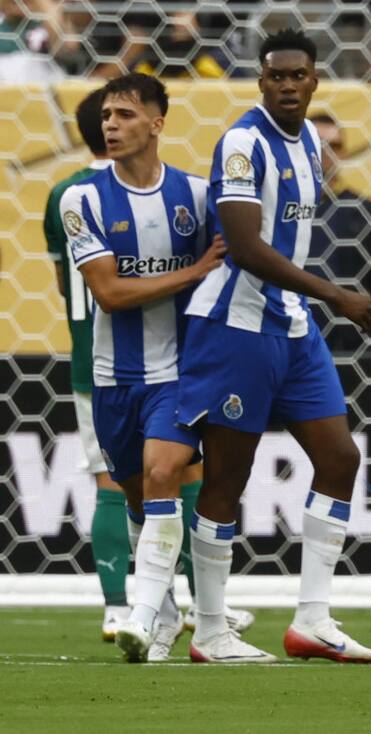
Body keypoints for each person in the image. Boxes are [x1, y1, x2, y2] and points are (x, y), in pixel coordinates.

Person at [176, 29, 371, 664]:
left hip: (290, 327)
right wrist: (335, 294)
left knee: (341, 458)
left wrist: (312, 299)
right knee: (228, 476)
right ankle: (211, 630)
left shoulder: (313, 145)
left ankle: (313, 621)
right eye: (276, 77)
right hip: (235, 326)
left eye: (298, 76)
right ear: (260, 82)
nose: (288, 86)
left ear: (315, 80)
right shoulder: (242, 143)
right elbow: (242, 246)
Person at [59, 73, 227, 662]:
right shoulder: (81, 199)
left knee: (161, 475)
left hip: (179, 373)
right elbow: (108, 292)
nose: (111, 124)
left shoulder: (199, 197)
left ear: (157, 123)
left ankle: (146, 615)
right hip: (113, 378)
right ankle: (166, 606)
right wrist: (195, 269)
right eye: (107, 114)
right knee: (134, 494)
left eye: (126, 114)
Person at [42, 86, 127, 640]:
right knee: (180, 474)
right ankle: (190, 602)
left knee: (110, 482)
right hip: (155, 355)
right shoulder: (149, 188)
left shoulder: (61, 195)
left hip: (87, 356)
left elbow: (61, 274)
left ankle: (117, 607)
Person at [306, 113, 371, 353]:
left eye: (334, 145)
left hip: (349, 345)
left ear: (344, 152)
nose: (326, 153)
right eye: (317, 144)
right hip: (293, 340)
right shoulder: (283, 207)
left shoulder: (364, 210)